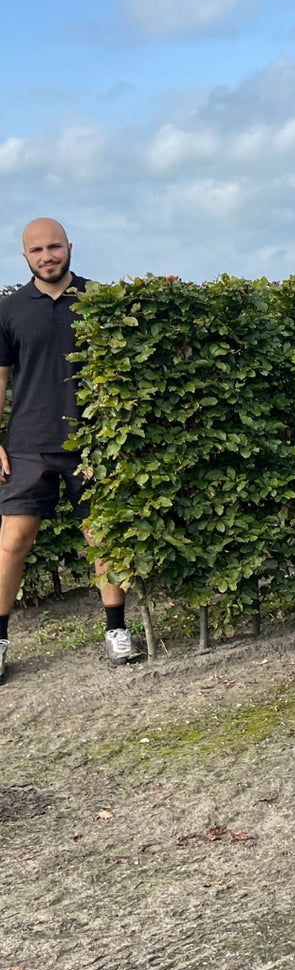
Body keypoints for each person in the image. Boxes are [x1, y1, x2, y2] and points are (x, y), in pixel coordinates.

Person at [0, 218, 136, 681]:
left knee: (104, 538)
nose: (47, 256)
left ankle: (116, 630)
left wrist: (165, 295)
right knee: (12, 542)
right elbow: (0, 378)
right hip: (27, 444)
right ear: (25, 256)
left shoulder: (99, 301)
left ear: (69, 247)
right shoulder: (10, 310)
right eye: (37, 250)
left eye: (54, 247)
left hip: (91, 443)